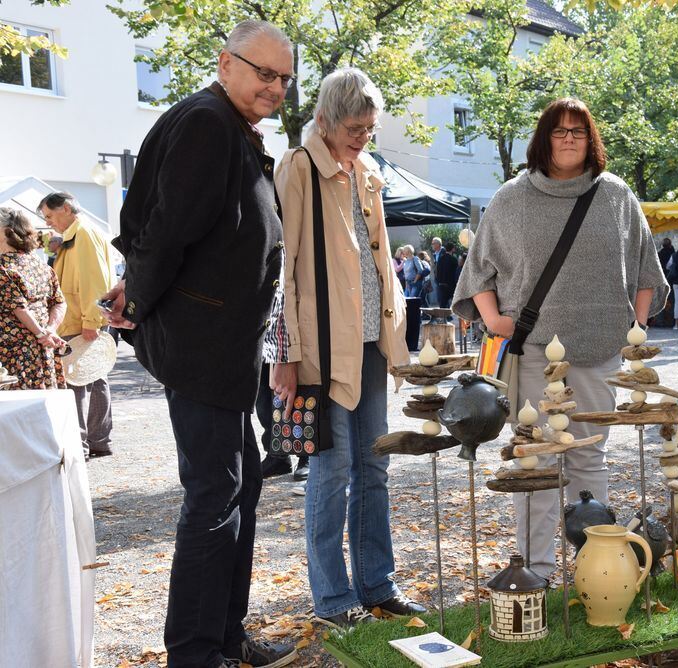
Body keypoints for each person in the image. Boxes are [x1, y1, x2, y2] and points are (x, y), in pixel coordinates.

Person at [102, 20, 297, 668]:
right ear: (226, 63)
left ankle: (222, 637)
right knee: (214, 499)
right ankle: (194, 652)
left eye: (284, 78)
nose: (274, 86)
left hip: (221, 350)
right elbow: (162, 231)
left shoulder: (232, 128)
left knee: (236, 491)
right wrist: (140, 301)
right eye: (263, 72)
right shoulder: (209, 124)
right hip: (201, 347)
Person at [452, 97, 667, 579]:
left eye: (579, 131)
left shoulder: (615, 195)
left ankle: (598, 568)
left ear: (592, 140)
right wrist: (495, 322)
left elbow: (644, 268)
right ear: (543, 137)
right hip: (530, 356)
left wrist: (637, 327)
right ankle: (537, 572)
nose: (569, 138)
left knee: (589, 462)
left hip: (596, 355)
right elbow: (478, 271)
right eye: (559, 130)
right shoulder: (511, 198)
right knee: (537, 465)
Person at [272, 66, 425, 629]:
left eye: (370, 127)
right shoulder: (298, 167)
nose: (364, 136)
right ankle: (334, 600)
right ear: (327, 119)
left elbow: (377, 262)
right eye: (356, 126)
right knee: (330, 474)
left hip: (369, 344)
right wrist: (283, 352)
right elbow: (279, 270)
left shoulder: (365, 172)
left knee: (374, 468)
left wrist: (394, 337)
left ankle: (377, 584)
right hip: (320, 350)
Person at [39, 191, 116, 458]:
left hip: (79, 320)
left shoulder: (82, 235)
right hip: (78, 318)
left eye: (49, 216)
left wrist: (91, 321)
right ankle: (96, 440)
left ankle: (82, 443)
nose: (48, 222)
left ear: (66, 210)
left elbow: (95, 280)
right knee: (92, 378)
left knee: (79, 381)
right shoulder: (76, 235)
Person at [0, 207, 67, 389]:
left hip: (13, 353)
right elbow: (59, 302)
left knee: (14, 410)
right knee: (42, 406)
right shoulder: (41, 265)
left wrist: (41, 333)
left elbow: (19, 308)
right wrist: (50, 331)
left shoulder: (4, 267)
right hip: (42, 349)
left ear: (8, 232)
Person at [434, 241, 459, 308]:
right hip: (450, 284)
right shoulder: (453, 259)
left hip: (441, 283)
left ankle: (444, 316)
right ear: (453, 249)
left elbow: (437, 270)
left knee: (443, 302)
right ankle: (449, 316)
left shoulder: (440, 258)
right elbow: (456, 273)